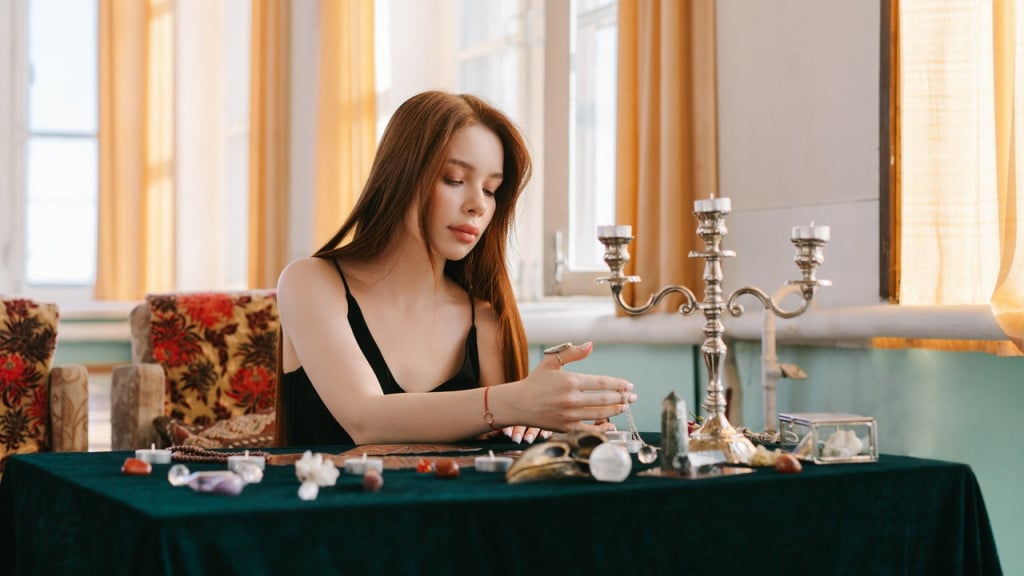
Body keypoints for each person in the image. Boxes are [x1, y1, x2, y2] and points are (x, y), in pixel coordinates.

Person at [275, 90, 635, 447]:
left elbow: (502, 451)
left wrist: (549, 423)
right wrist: (518, 401)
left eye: (491, 189)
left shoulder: (485, 319)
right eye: (454, 179)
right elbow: (365, 420)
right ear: (399, 174)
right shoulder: (311, 283)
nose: (478, 204)